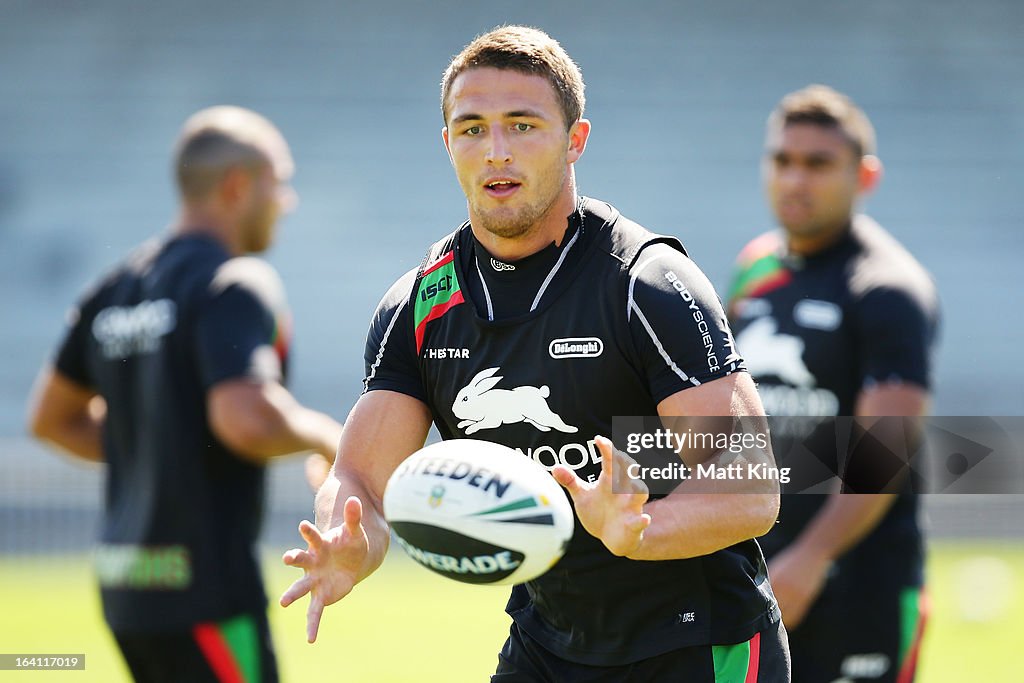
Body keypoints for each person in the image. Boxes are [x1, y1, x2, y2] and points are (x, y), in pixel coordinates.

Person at [280, 26, 789, 682]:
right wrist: (353, 542)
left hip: (695, 643)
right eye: (472, 129)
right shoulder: (421, 305)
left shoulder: (644, 283)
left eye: (522, 125)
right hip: (550, 642)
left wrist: (643, 527)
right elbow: (361, 482)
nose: (496, 151)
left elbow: (751, 489)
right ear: (447, 145)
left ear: (574, 141)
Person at [27, 105, 344, 683]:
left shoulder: (113, 288)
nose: (286, 200)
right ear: (237, 186)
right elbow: (245, 418)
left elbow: (50, 419)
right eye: (279, 182)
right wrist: (327, 436)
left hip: (126, 584)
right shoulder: (236, 282)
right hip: (204, 591)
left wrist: (150, 439)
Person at [727, 85, 939, 683]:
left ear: (863, 176)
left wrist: (811, 557)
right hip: (760, 574)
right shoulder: (756, 267)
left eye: (818, 164)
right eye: (783, 161)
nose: (796, 180)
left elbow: (886, 449)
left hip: (857, 585)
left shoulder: (887, 288)